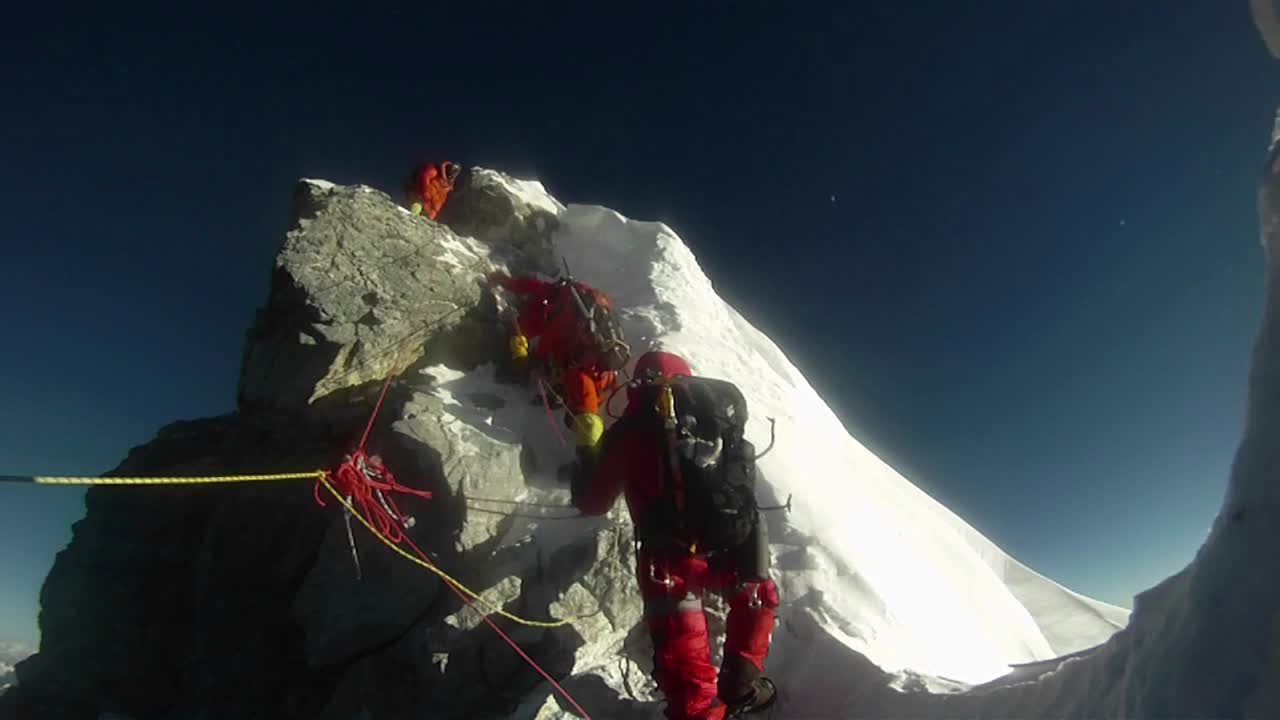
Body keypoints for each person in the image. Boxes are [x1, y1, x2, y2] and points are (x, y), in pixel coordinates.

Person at [571, 350, 778, 720]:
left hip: (670, 557)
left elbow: (594, 502)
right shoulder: (716, 418)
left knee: (685, 658)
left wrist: (587, 462)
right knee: (755, 596)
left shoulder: (633, 426)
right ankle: (742, 683)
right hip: (731, 540)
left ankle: (699, 712)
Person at [487, 271, 629, 452]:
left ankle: (589, 453)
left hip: (581, 368)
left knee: (585, 411)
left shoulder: (559, 305)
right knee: (587, 403)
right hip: (604, 366)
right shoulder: (593, 308)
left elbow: (547, 337)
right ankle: (592, 444)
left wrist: (529, 358)